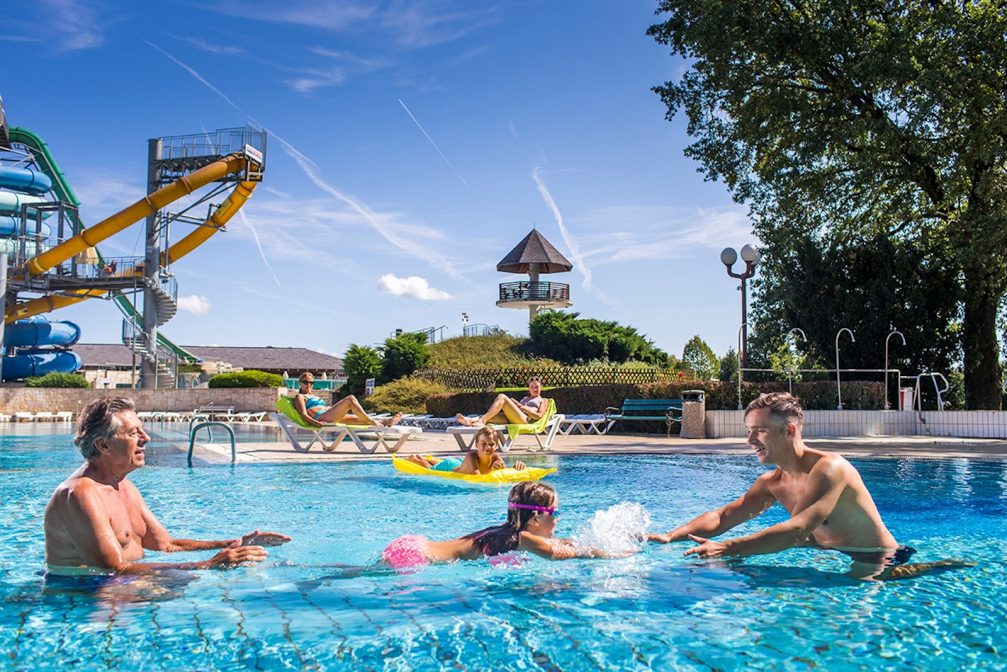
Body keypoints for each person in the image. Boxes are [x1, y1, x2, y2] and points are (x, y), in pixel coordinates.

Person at [648, 392, 969, 580]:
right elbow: (723, 517)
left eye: (758, 431)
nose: (749, 440)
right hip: (827, 552)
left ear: (789, 430)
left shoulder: (831, 468)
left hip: (877, 561)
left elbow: (798, 529)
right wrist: (671, 535)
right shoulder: (772, 482)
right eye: (748, 431)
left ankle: (942, 566)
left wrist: (729, 547)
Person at [44, 397, 291, 576]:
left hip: (125, 584)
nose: (146, 438)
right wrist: (206, 565)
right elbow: (113, 570)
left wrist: (232, 544)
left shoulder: (124, 486)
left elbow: (167, 545)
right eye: (133, 433)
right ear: (103, 446)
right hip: (81, 596)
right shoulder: (81, 494)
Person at [381, 482, 633, 568]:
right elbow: (565, 555)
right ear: (535, 518)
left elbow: (556, 543)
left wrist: (566, 540)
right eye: (555, 511)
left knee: (357, 570)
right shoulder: (524, 538)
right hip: (417, 559)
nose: (559, 517)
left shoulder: (507, 530)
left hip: (415, 546)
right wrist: (611, 553)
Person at [293, 371, 401, 428]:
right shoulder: (300, 397)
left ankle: (387, 422)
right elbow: (304, 414)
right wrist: (316, 423)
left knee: (362, 419)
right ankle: (372, 420)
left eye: (311, 383)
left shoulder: (315, 396)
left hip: (331, 413)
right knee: (350, 399)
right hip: (323, 416)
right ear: (300, 383)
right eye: (306, 382)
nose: (309, 385)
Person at [405, 426, 527, 473]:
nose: (487, 447)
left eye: (491, 444)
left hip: (459, 463)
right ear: (476, 444)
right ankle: (416, 459)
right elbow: (477, 477)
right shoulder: (471, 456)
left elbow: (505, 473)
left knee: (444, 461)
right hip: (450, 467)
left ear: (496, 446)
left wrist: (517, 466)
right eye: (483, 443)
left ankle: (429, 459)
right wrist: (492, 470)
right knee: (429, 469)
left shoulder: (495, 457)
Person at [455, 376, 548, 427]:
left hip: (525, 419)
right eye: (532, 387)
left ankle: (481, 420)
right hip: (513, 418)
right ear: (529, 388)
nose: (534, 389)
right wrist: (517, 405)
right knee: (490, 416)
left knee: (502, 397)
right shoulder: (525, 398)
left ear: (541, 388)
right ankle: (469, 420)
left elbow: (539, 416)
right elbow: (518, 409)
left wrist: (525, 409)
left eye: (536, 387)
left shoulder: (543, 400)